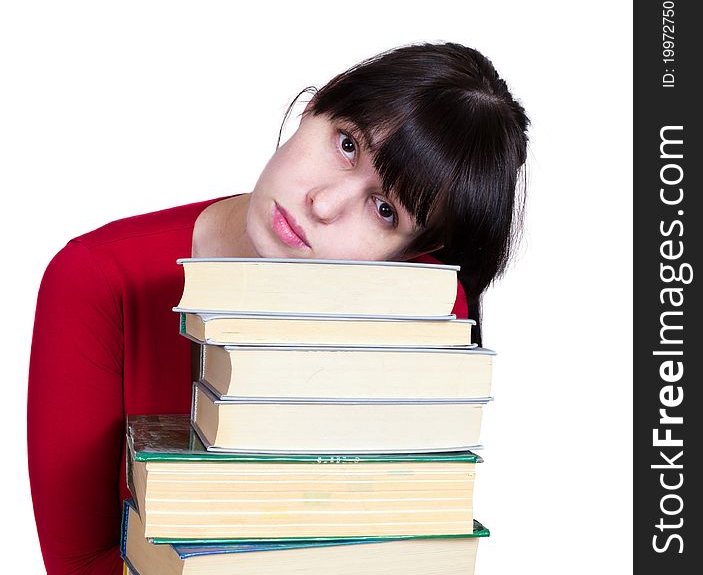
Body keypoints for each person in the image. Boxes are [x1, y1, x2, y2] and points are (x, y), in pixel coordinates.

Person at [27, 41, 529, 574]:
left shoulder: (417, 306)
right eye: (347, 145)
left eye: (385, 210)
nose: (324, 204)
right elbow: (80, 562)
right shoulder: (97, 280)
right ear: (314, 107)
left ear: (407, 252)